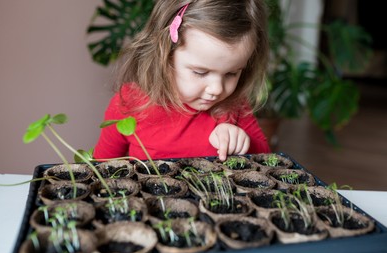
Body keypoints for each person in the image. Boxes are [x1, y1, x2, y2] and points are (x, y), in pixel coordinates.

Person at [93, 0, 271, 162]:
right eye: (200, 72)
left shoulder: (235, 105)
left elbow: (268, 160)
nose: (217, 89)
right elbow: (102, 166)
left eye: (231, 73)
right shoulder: (128, 103)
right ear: (165, 55)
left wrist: (242, 144)